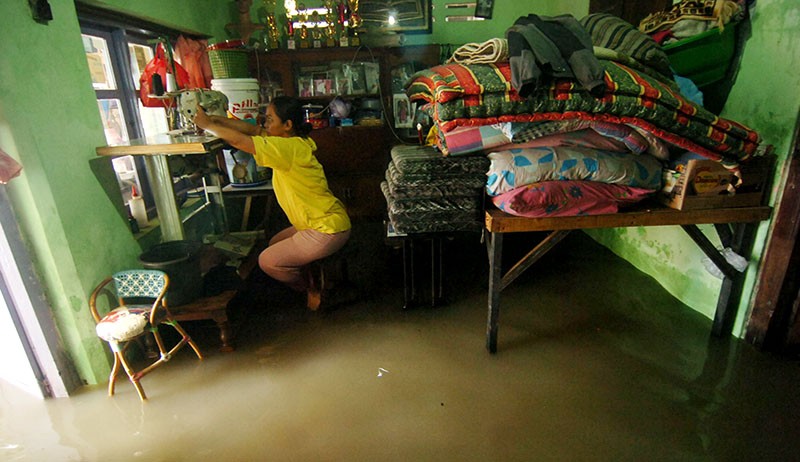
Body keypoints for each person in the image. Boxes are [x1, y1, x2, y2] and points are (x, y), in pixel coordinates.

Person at [193, 96, 351, 310]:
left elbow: (242, 141)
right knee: (274, 242)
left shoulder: (287, 149)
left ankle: (311, 289)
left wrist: (209, 125)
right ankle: (316, 275)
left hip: (326, 230)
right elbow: (253, 131)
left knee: (268, 261)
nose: (265, 124)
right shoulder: (291, 140)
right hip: (322, 221)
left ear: (287, 125)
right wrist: (215, 119)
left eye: (269, 120)